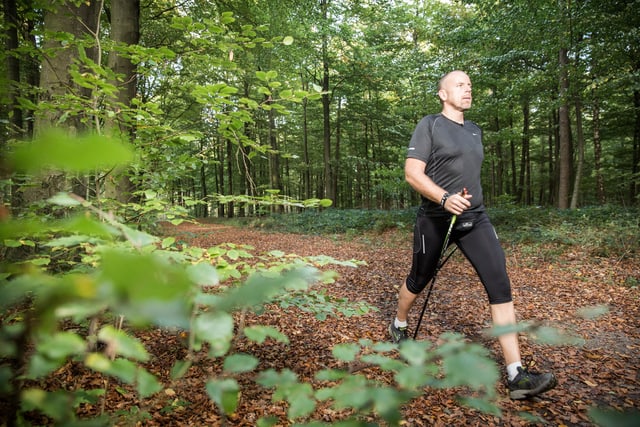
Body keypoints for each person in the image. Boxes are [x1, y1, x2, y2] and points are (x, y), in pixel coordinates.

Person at [388, 70, 556, 400]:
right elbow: (412, 173)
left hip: (474, 218)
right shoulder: (430, 125)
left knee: (500, 283)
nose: (468, 90)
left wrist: (465, 200)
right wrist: (444, 198)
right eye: (460, 85)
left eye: (470, 85)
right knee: (418, 279)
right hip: (436, 217)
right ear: (442, 93)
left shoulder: (476, 131)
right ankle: (399, 323)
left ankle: (516, 375)